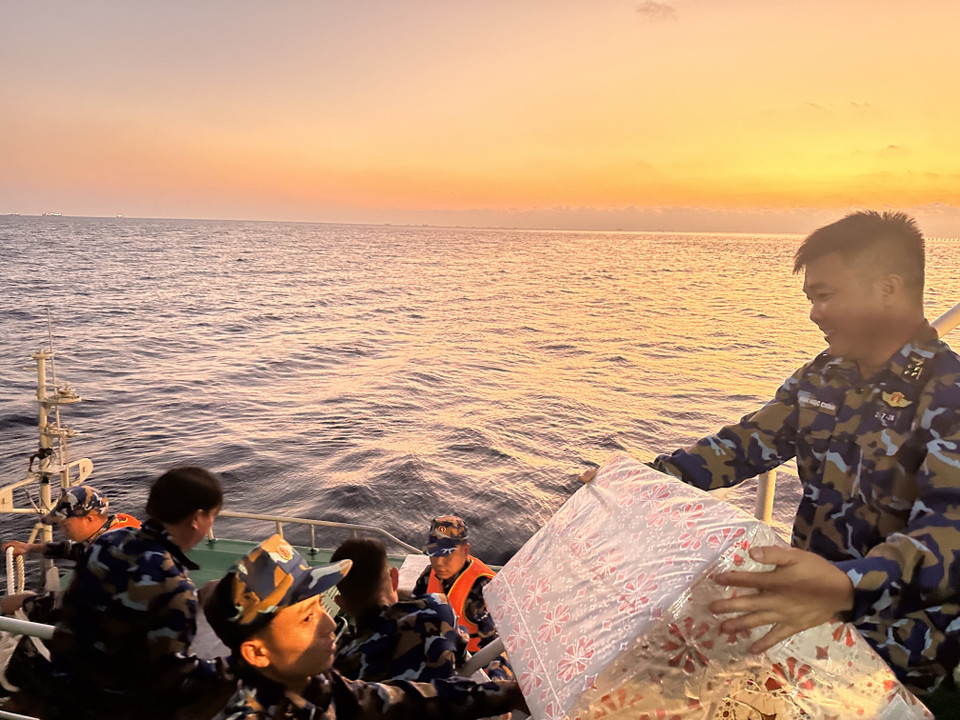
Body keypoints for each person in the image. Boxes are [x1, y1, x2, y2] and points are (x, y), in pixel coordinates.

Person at [582, 211, 960, 709]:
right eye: (810, 299)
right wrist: (640, 481)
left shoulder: (948, 395)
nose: (814, 314)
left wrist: (846, 586)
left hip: (903, 653)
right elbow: (745, 444)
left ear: (888, 288)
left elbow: (948, 535)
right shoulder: (823, 377)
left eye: (825, 295)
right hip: (804, 619)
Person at [202, 533, 527, 719]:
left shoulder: (313, 682)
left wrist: (506, 694)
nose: (329, 623)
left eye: (319, 606)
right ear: (257, 653)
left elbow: (399, 699)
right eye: (307, 617)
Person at [44, 466, 236, 720]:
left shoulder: (108, 542)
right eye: (212, 516)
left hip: (67, 693)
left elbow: (77, 605)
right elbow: (173, 677)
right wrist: (238, 665)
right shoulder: (174, 586)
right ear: (197, 519)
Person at [330, 537, 469, 682]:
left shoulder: (343, 666)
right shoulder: (438, 608)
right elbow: (461, 648)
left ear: (341, 604)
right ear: (395, 578)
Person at [0, 485, 141, 617]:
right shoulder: (116, 528)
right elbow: (78, 550)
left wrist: (25, 601)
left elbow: (78, 603)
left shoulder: (112, 552)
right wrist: (28, 548)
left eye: (66, 525)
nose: (62, 531)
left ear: (89, 519)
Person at [411, 515, 513, 681]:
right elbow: (411, 611)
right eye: (434, 554)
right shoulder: (429, 575)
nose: (439, 563)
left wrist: (496, 685)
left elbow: (498, 647)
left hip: (473, 668)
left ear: (465, 550)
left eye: (447, 555)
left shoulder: (482, 589)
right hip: (438, 654)